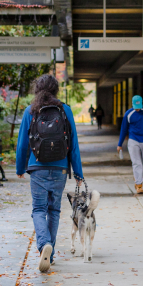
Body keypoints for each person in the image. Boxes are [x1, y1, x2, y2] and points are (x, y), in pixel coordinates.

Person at [16, 74, 84, 273]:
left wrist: (20, 168)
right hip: (60, 167)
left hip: (37, 167)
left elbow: (22, 144)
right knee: (54, 210)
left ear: (37, 89)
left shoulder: (31, 110)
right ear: (55, 90)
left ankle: (43, 245)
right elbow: (74, 144)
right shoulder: (66, 110)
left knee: (39, 209)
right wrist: (78, 172)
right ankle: (50, 254)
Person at [117, 95, 143, 194]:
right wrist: (120, 144)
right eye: (136, 107)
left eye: (139, 106)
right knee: (137, 163)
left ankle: (137, 176)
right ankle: (139, 185)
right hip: (133, 140)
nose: (137, 109)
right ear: (132, 104)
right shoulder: (129, 114)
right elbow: (123, 129)